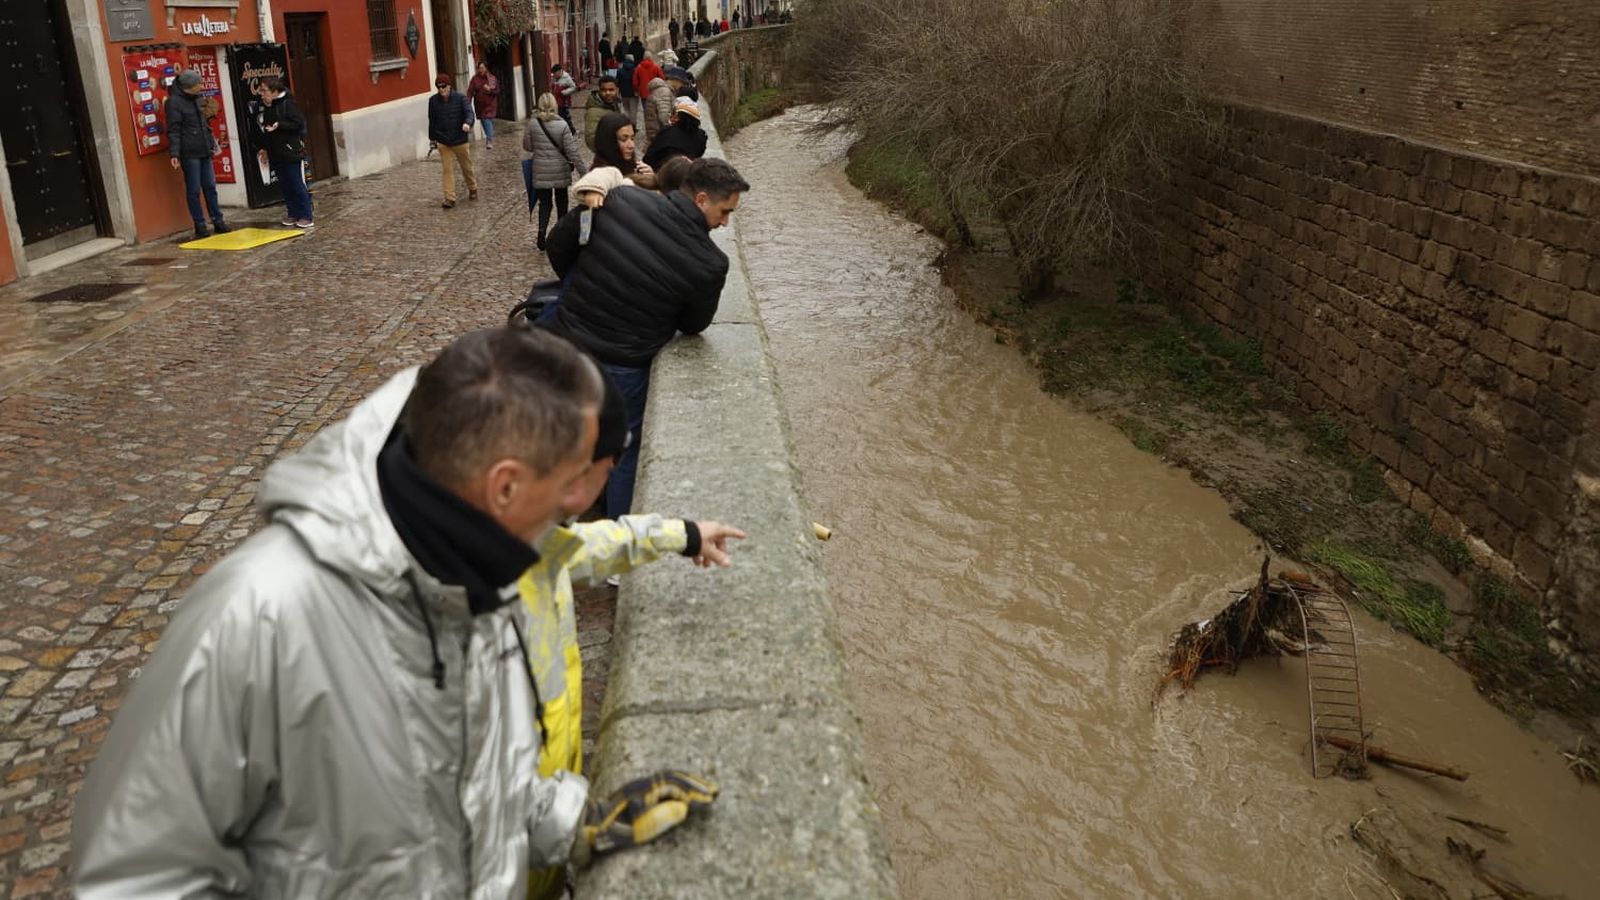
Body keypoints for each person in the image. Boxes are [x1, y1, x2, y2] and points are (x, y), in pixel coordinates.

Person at [70, 325, 719, 899]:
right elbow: (133, 876)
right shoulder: (255, 614)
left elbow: (468, 785)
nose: (582, 500)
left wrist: (572, 825)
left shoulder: (477, 574)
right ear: (506, 485)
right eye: (575, 477)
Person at [505, 360, 746, 898]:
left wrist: (679, 535)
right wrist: (581, 828)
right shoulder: (456, 618)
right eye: (606, 464)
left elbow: (579, 551)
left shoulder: (521, 543)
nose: (615, 472)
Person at [544, 157, 749, 516]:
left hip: (564, 342)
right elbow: (693, 324)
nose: (725, 222)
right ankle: (620, 550)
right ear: (701, 199)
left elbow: (560, 243)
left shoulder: (620, 200)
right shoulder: (710, 263)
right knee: (625, 454)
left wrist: (582, 286)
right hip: (621, 367)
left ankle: (538, 528)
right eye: (724, 211)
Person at [166, 69, 230, 238]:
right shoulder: (174, 102)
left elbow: (203, 124)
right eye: (198, 84)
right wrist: (175, 154)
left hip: (204, 149)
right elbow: (174, 130)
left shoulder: (197, 98)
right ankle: (200, 224)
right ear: (189, 87)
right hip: (189, 152)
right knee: (194, 190)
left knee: (210, 186)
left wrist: (211, 140)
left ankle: (218, 220)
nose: (201, 86)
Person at [524, 93, 587, 251]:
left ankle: (541, 234)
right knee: (562, 203)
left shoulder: (533, 123)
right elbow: (572, 152)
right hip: (560, 170)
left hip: (540, 170)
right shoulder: (563, 125)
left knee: (544, 204)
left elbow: (527, 146)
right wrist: (584, 172)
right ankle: (560, 236)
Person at [254, 76, 313, 230]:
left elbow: (298, 123)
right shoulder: (268, 106)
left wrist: (280, 125)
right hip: (276, 152)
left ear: (274, 91)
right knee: (285, 186)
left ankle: (306, 215)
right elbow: (266, 130)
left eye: (264, 90)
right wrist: (264, 149)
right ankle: (292, 213)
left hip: (291, 151)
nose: (261, 93)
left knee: (297, 184)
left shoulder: (288, 104)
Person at [427, 73, 476, 208]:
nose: (441, 90)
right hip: (443, 140)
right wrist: (432, 138)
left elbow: (469, 113)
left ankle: (472, 187)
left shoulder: (460, 98)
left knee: (466, 167)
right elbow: (432, 121)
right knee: (447, 169)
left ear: (449, 86)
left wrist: (467, 123)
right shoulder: (433, 101)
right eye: (439, 87)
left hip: (460, 138)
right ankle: (449, 197)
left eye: (444, 87)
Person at [589, 111, 654, 187]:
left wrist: (650, 180)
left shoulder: (628, 166)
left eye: (632, 138)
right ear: (608, 142)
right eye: (624, 140)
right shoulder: (599, 179)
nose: (631, 145)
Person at [642, 98, 707, 169]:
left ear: (680, 117)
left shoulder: (668, 132)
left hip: (664, 171)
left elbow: (652, 153)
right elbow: (699, 154)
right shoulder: (701, 136)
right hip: (687, 170)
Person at [640, 62, 675, 159]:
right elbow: (664, 116)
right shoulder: (663, 92)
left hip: (653, 132)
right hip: (659, 134)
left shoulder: (654, 92)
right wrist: (671, 129)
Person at [584, 74, 622, 152]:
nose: (607, 93)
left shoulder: (616, 105)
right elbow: (591, 139)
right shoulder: (593, 112)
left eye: (611, 90)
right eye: (604, 90)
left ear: (617, 90)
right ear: (599, 90)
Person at [468, 61, 500, 149]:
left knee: (487, 119)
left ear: (486, 68)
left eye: (483, 68)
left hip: (490, 104)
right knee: (484, 121)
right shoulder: (475, 79)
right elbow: (470, 91)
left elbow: (497, 91)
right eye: (479, 68)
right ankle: (489, 136)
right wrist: (468, 101)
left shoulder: (491, 78)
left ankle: (489, 140)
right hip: (480, 106)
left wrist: (490, 90)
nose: (481, 70)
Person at [549, 63, 577, 128]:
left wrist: (565, 92)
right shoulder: (554, 78)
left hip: (564, 102)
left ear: (560, 71)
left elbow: (574, 87)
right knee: (558, 117)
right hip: (556, 101)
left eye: (555, 73)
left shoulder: (567, 78)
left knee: (566, 118)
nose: (554, 75)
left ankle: (572, 132)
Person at [616, 54, 640, 128]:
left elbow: (617, 83)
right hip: (633, 93)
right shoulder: (636, 70)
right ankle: (633, 126)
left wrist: (618, 93)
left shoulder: (620, 71)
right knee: (633, 111)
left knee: (626, 110)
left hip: (624, 93)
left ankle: (627, 124)